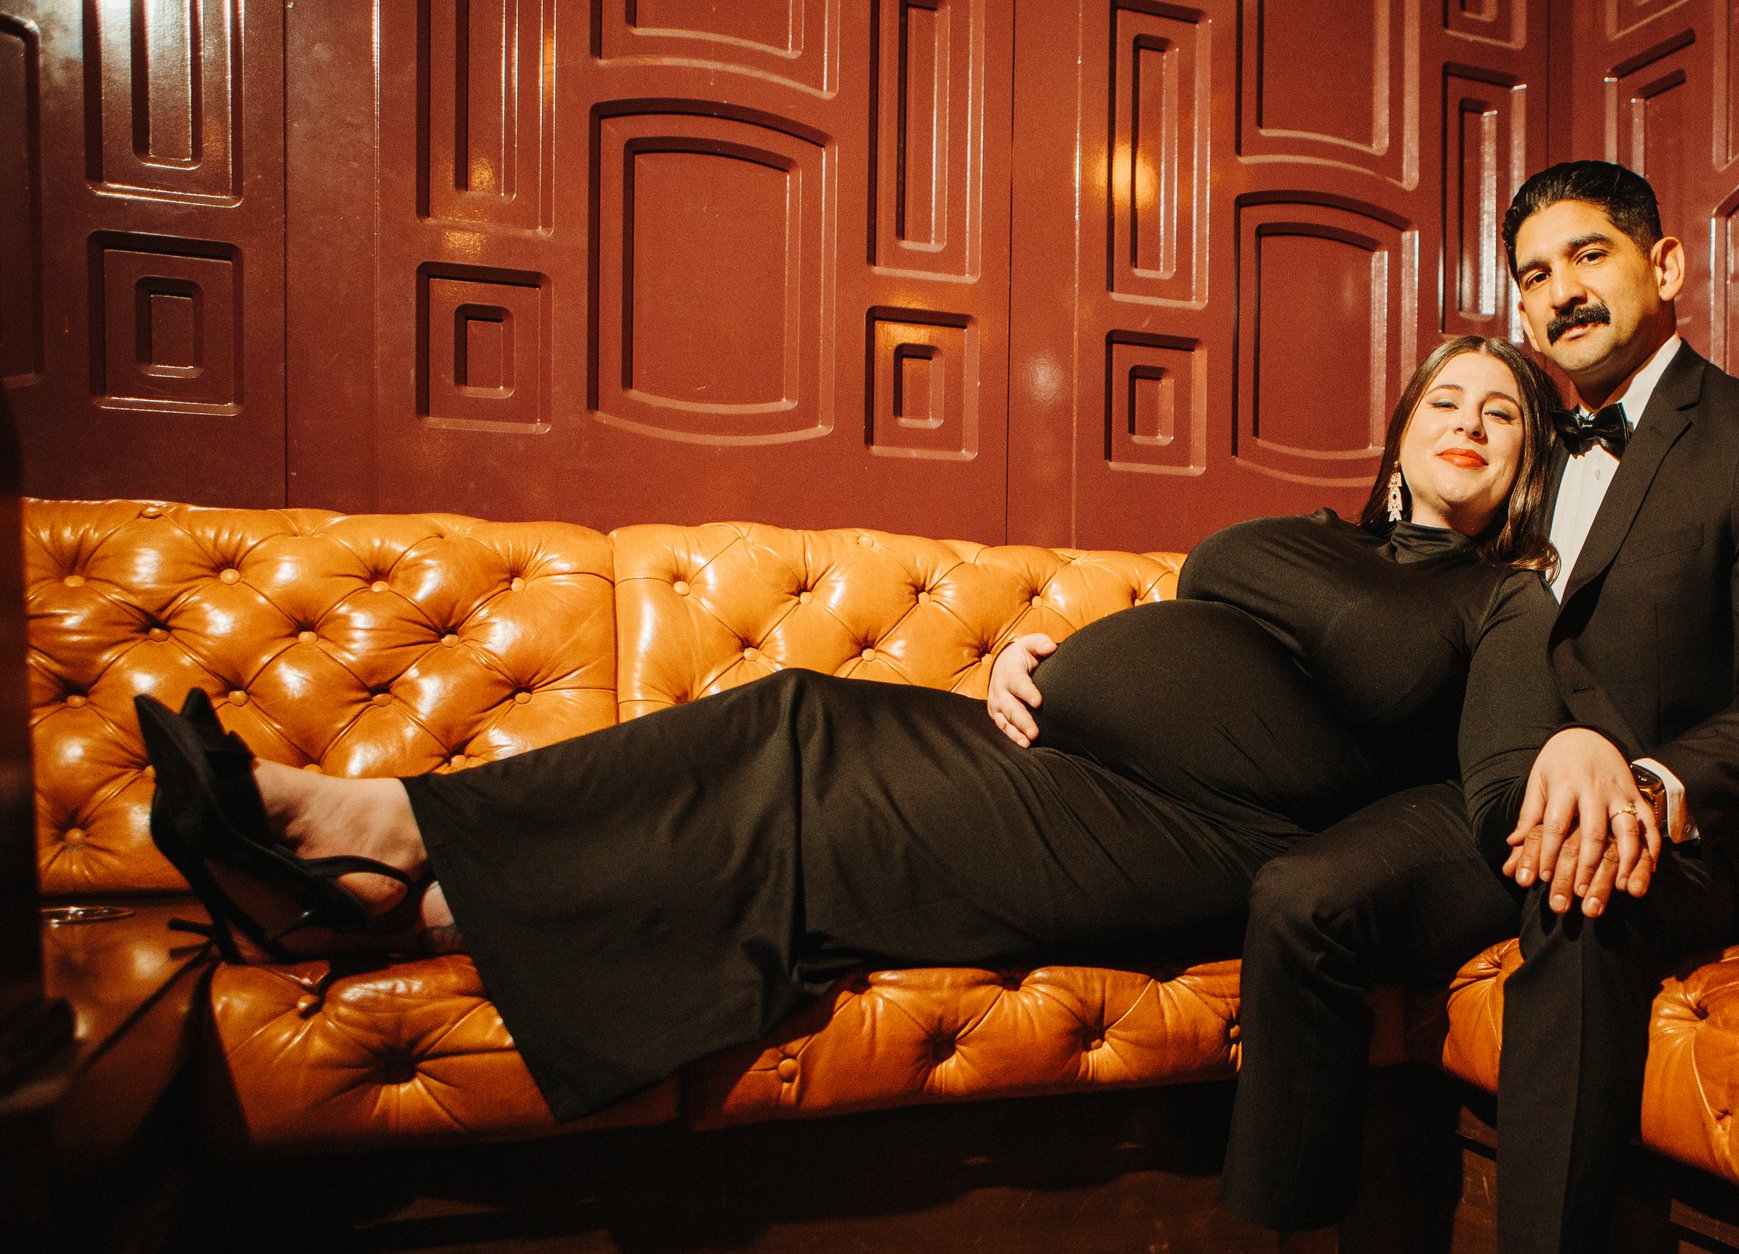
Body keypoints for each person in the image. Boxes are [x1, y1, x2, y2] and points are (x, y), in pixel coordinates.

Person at [135, 338, 1568, 1124]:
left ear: (1521, 466)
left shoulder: (1504, 596)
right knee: (796, 715)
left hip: (1208, 838)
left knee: (806, 777)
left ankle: (376, 829)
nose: (1465, 420)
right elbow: (1226, 645)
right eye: (1442, 398)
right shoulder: (1311, 538)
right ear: (1395, 432)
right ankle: (409, 904)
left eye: (1497, 414)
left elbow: (1466, 771)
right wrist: (1049, 655)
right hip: (1073, 754)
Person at [1123, 161, 1739, 1254]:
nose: (1559, 295)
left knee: (1581, 898)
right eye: (1533, 274)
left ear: (1667, 264)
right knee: (1302, 895)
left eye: (1589, 257)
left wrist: (1654, 779)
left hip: (1687, 820)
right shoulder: (1520, 458)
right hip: (1506, 796)